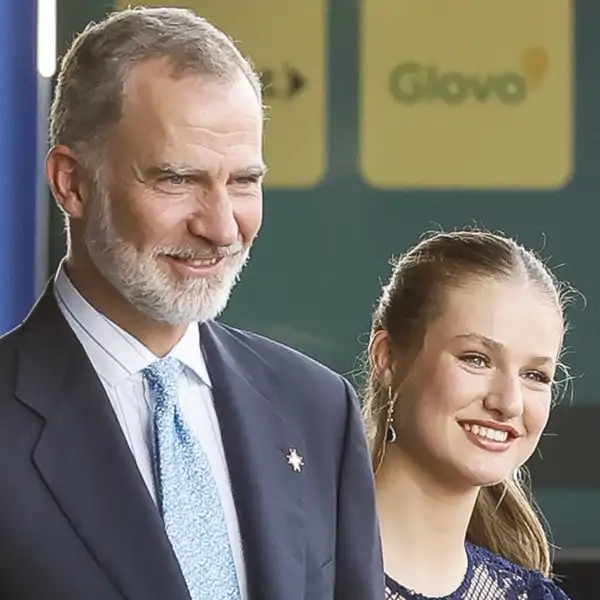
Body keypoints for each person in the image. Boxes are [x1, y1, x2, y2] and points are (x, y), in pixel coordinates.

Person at [0, 7, 383, 600]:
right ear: (71, 184)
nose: (223, 227)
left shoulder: (318, 410)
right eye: (177, 179)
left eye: (243, 182)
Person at [362, 230, 572, 599]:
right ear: (387, 357)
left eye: (534, 376)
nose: (509, 403)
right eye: (476, 359)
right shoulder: (290, 567)